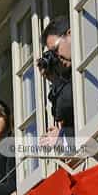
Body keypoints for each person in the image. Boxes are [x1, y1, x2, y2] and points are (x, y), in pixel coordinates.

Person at [38, 16, 74, 147]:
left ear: (70, 34)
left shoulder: (85, 67)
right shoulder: (67, 76)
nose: (57, 57)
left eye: (56, 50)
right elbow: (62, 115)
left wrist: (62, 135)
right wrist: (54, 80)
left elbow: (67, 104)